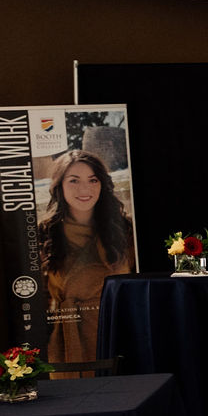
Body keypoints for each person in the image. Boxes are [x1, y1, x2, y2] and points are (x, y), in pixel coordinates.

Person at [37, 148, 134, 366]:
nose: (85, 188)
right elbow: (39, 297)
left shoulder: (123, 228)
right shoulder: (45, 233)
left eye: (93, 180)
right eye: (74, 180)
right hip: (65, 339)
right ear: (59, 185)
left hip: (115, 331)